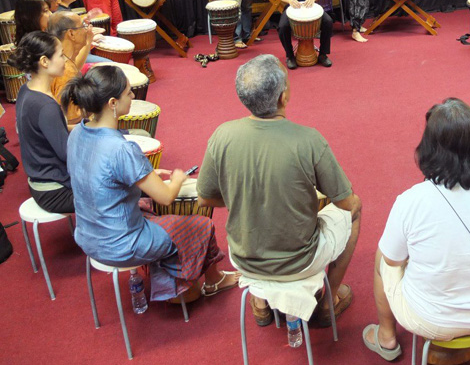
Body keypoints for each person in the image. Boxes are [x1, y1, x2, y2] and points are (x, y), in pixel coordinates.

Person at [196, 55, 360, 326]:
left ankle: (260, 303)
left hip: (244, 258)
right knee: (357, 209)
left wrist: (242, 195)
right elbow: (345, 202)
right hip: (299, 262)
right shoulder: (309, 139)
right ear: (283, 97)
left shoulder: (221, 136)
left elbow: (205, 199)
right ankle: (328, 303)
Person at [363, 98, 470, 361]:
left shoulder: (411, 200)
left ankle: (387, 337)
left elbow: (393, 259)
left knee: (383, 258)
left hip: (430, 319)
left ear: (429, 148)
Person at [63, 65, 239, 301]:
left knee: (145, 206)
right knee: (201, 226)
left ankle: (172, 280)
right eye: (128, 93)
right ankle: (209, 281)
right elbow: (166, 197)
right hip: (121, 245)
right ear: (113, 103)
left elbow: (96, 173)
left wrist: (144, 172)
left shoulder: (77, 133)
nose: (133, 96)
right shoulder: (122, 150)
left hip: (87, 237)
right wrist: (177, 178)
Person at [10, 31, 73, 213]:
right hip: (56, 192)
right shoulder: (46, 106)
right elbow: (68, 154)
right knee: (117, 185)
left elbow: (45, 131)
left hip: (39, 183)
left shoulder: (26, 90)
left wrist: (82, 128)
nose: (65, 59)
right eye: (61, 55)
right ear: (45, 61)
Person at [48, 12, 97, 125]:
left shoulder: (62, 58)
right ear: (71, 33)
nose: (86, 30)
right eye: (83, 26)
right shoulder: (65, 71)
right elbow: (71, 119)